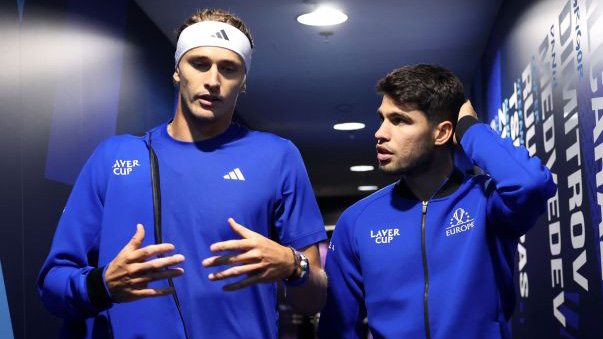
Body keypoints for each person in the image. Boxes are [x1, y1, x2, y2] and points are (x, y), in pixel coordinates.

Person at [38, 9, 327, 338]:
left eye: (229, 69)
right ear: (177, 71)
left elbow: (315, 298)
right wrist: (102, 286)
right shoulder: (114, 157)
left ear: (243, 82)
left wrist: (294, 266)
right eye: (200, 64)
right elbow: (52, 286)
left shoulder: (278, 156)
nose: (213, 81)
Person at [317, 64, 556, 339]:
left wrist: (470, 130)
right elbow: (337, 328)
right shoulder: (357, 220)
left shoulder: (487, 203)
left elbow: (531, 183)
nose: (380, 133)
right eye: (382, 118)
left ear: (442, 133)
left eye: (399, 120)